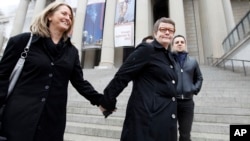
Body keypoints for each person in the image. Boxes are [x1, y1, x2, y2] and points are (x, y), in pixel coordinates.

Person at [0, 2, 103, 141]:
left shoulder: (72, 52)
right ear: (49, 16)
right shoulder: (22, 42)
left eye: (71, 16)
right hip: (18, 120)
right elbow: (2, 76)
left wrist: (101, 100)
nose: (68, 18)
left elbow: (80, 83)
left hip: (52, 124)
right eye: (64, 13)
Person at [99, 17, 178, 141]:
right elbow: (123, 74)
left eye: (171, 30)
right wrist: (107, 100)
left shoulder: (170, 57)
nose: (167, 32)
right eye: (163, 29)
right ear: (155, 32)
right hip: (146, 119)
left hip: (166, 119)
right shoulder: (147, 49)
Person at [171, 35, 203, 141]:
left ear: (185, 44)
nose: (179, 44)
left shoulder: (193, 61)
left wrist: (194, 89)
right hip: (171, 102)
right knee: (169, 132)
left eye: (182, 42)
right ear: (173, 45)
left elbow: (199, 78)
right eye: (177, 42)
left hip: (187, 103)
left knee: (185, 134)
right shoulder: (168, 61)